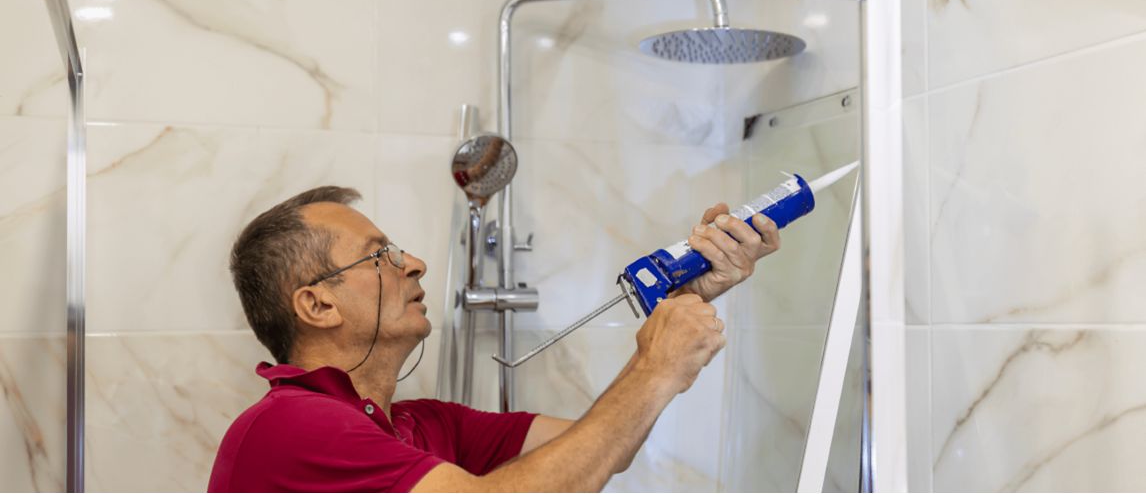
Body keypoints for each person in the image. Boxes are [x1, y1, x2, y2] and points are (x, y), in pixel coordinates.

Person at [208, 186, 781, 492]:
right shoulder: (289, 427)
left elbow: (603, 448)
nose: (416, 264)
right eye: (380, 255)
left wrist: (686, 295)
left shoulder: (425, 426)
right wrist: (656, 368)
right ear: (318, 304)